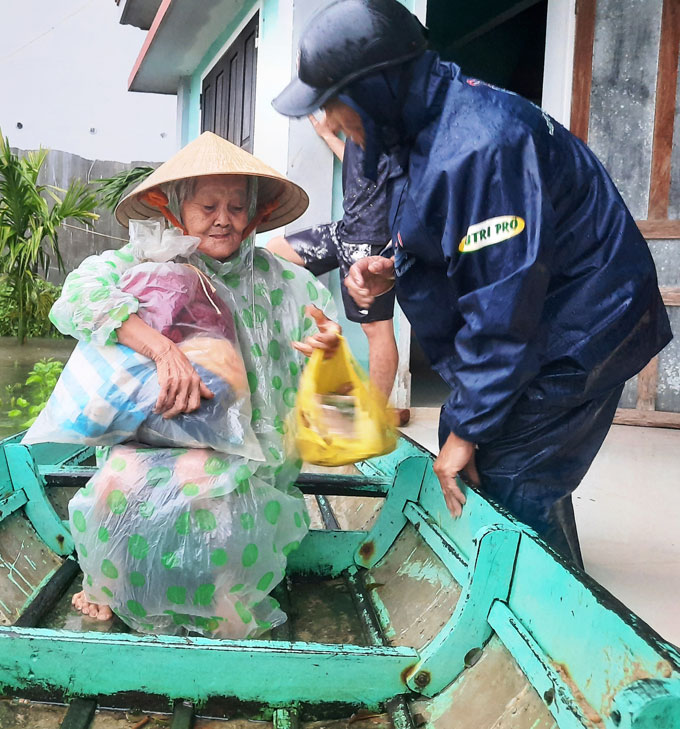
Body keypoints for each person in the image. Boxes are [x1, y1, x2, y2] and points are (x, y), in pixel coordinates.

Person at [272, 0, 672, 565]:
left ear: (378, 90)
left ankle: (552, 632)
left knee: (502, 474)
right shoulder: (416, 133)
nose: (333, 126)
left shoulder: (482, 145)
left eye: (337, 109)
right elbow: (454, 239)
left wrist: (466, 429)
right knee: (485, 463)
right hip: (540, 319)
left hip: (582, 328)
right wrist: (393, 266)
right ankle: (539, 576)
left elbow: (504, 301)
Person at [47, 132, 343, 637]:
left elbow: (326, 352)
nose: (222, 219)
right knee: (118, 479)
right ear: (175, 209)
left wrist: (329, 349)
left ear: (255, 213)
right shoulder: (147, 266)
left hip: (256, 448)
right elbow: (77, 296)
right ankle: (110, 586)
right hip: (156, 436)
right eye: (207, 206)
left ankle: (228, 596)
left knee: (217, 491)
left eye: (235, 206)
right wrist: (159, 349)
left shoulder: (290, 283)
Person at [265, 110, 405, 422]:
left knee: (375, 327)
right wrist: (329, 137)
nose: (324, 111)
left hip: (370, 240)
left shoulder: (382, 127)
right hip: (343, 231)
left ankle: (376, 414)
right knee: (273, 253)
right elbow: (360, 170)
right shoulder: (355, 132)